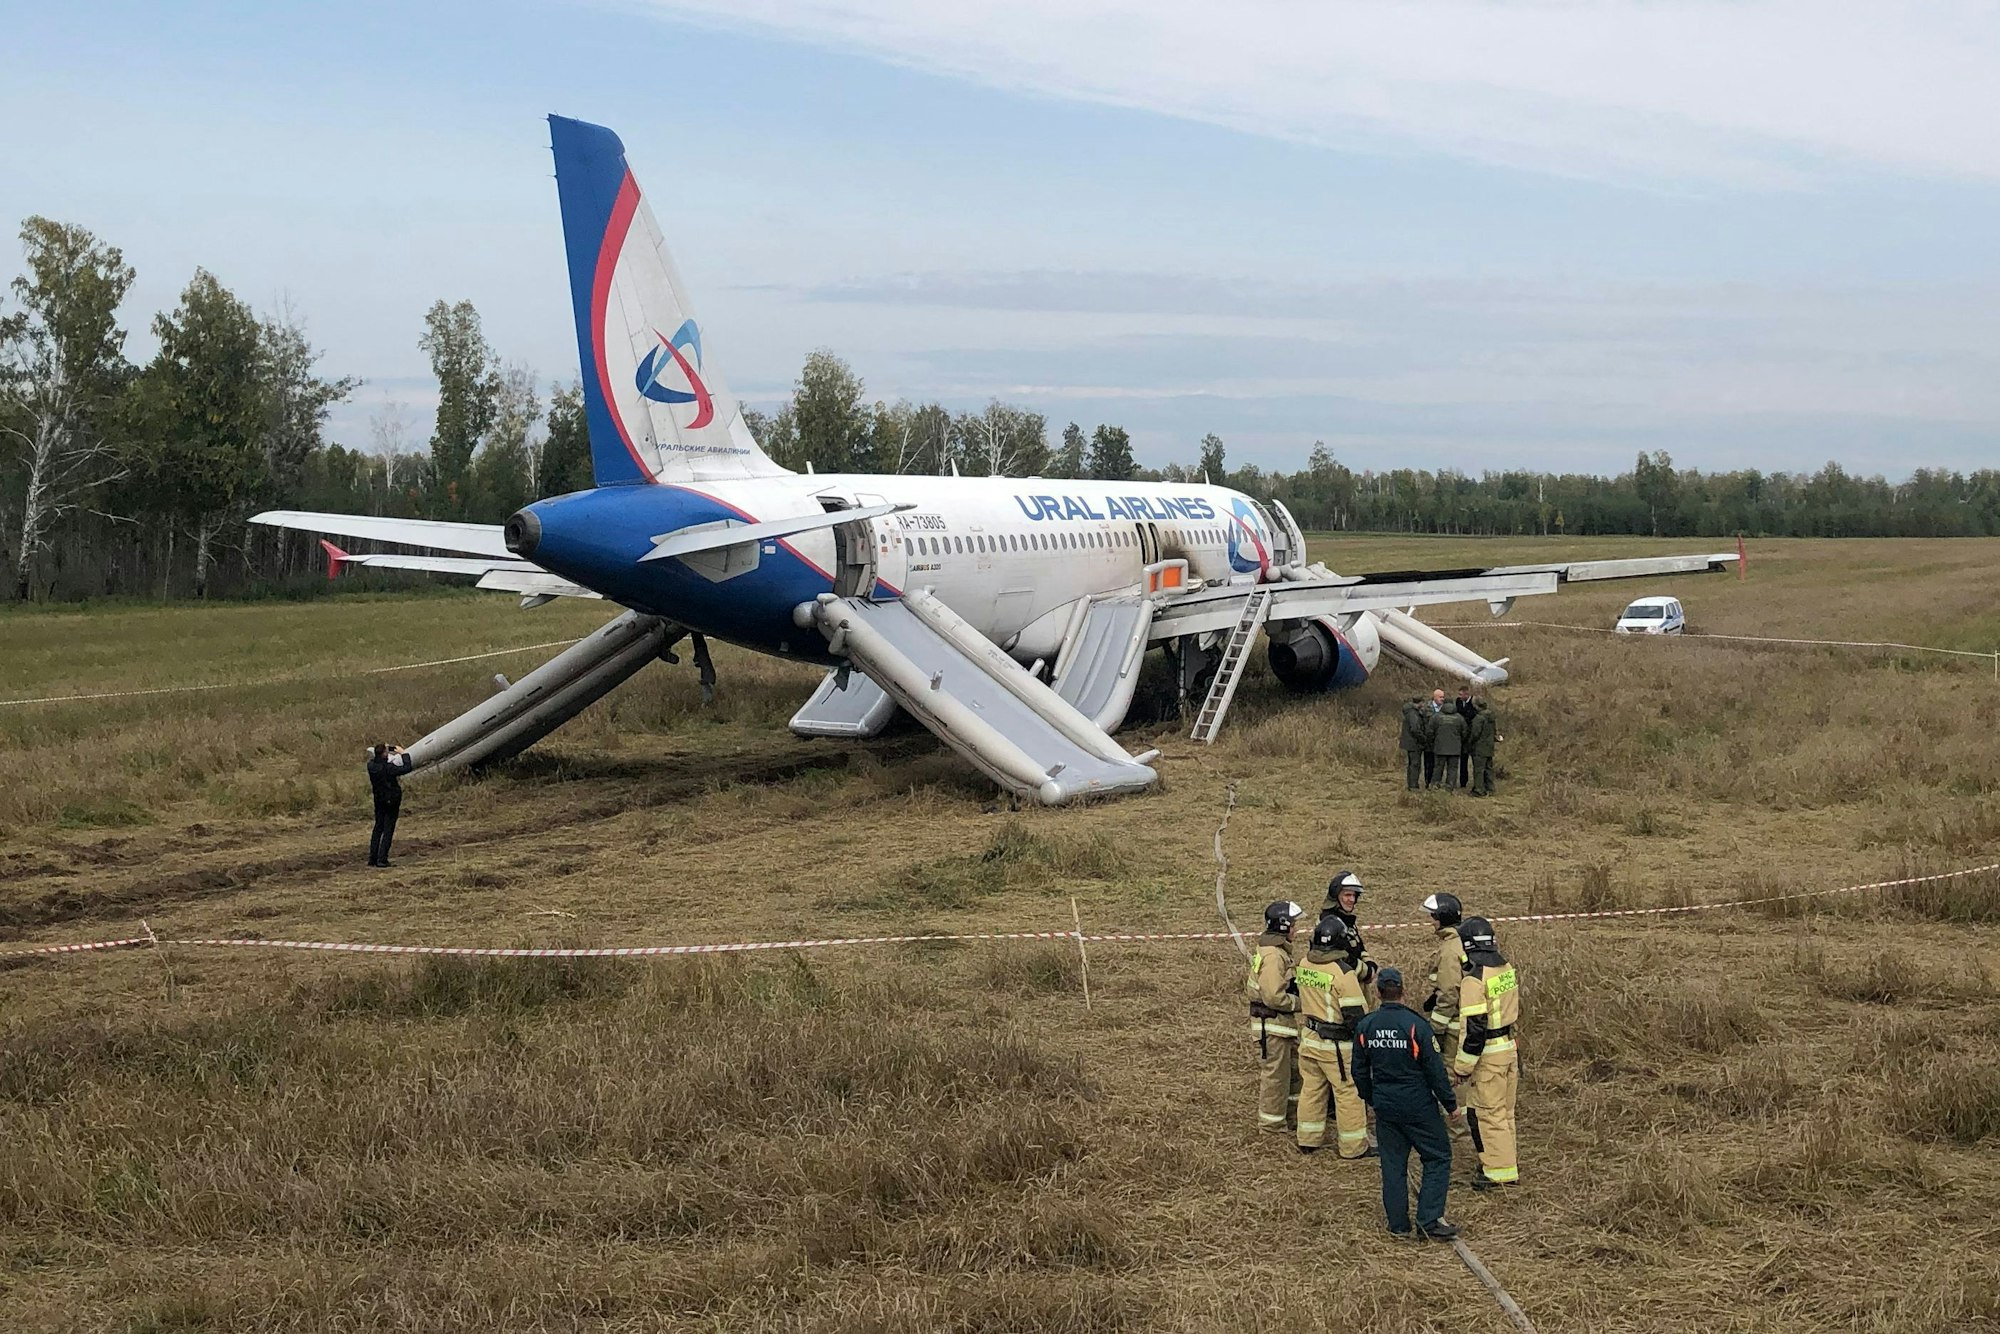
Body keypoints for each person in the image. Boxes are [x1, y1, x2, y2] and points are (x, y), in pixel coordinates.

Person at [1353, 966, 1460, 1241]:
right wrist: (1450, 1104)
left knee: (1392, 1166)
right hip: (1419, 1106)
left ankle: (1398, 1225)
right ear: (1404, 991)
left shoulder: (1366, 1026)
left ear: (1377, 993)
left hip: (1386, 1107)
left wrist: (1371, 1098)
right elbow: (1435, 1070)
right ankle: (1428, 1220)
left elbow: (1359, 1070)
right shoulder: (1417, 1026)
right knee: (1438, 1157)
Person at [1293, 917, 1375, 1159]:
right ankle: (1353, 1147)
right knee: (1349, 1093)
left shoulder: (1304, 962)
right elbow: (1357, 1017)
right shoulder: (1343, 974)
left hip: (1309, 1039)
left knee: (1311, 1089)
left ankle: (1308, 1139)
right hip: (1337, 1047)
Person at [1453, 917, 1522, 1189]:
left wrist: (1462, 1068)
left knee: (1488, 1114)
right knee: (1505, 1113)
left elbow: (1474, 1029)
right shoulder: (1505, 969)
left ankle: (1497, 1172)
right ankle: (1505, 1161)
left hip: (1488, 1056)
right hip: (1508, 1048)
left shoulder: (1474, 980)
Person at [1246, 900, 1304, 1136]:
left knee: (1292, 1074)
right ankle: (1271, 1126)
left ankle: (1291, 1118)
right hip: (1274, 1026)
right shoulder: (1273, 956)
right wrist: (1301, 1004)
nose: (1296, 929)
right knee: (1276, 1078)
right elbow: (1273, 996)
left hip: (1280, 1027)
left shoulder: (1273, 951)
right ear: (1282, 926)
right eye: (1293, 925)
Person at [1318, 871, 1378, 996]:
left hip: (1355, 983)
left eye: (1354, 895)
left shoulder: (1346, 920)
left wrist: (1369, 961)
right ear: (1335, 896)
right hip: (1342, 988)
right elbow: (1340, 959)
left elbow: (1358, 945)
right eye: (1347, 895)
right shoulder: (1329, 924)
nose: (1352, 899)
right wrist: (1367, 972)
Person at [366, 742, 411, 867]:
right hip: (391, 800)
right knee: (388, 829)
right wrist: (404, 754)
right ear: (385, 754)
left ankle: (373, 858)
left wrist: (386, 748)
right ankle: (382, 859)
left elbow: (379, 758)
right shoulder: (388, 768)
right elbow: (407, 768)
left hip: (379, 800)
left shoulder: (371, 766)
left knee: (378, 828)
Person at [1428, 696, 1467, 791]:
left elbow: (1430, 732)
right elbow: (1465, 732)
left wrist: (1434, 742)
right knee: (1453, 769)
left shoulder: (1436, 717)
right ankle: (1450, 787)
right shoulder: (1459, 718)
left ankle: (1435, 785)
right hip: (1455, 748)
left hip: (1440, 747)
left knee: (1438, 768)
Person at [1399, 695, 1431, 791]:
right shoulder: (1414, 714)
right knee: (1415, 764)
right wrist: (1423, 739)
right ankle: (1413, 786)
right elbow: (1415, 729)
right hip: (1414, 743)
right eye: (1423, 702)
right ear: (1420, 702)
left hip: (1409, 743)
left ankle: (1411, 784)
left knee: (1411, 764)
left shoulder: (1410, 712)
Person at [1467, 701, 1498, 797]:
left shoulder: (1479, 718)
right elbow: (1494, 732)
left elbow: (1475, 733)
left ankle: (1479, 790)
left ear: (1477, 706)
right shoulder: (1491, 717)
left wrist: (1469, 742)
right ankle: (1490, 788)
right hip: (1489, 747)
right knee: (1488, 768)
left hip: (1479, 747)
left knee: (1479, 769)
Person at [1453, 687, 1478, 787]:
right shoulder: (1458, 702)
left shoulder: (1473, 703)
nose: (1459, 696)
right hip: (1461, 735)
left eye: (1460, 694)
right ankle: (1463, 781)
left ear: (1466, 694)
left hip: (1471, 734)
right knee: (1463, 759)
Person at [1423, 689, 1447, 786]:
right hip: (1429, 741)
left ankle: (1437, 782)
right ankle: (1428, 782)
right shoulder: (1426, 708)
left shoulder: (1446, 709)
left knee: (1439, 764)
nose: (1442, 699)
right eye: (1440, 697)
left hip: (1441, 740)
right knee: (1429, 763)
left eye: (1443, 697)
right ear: (1435, 697)